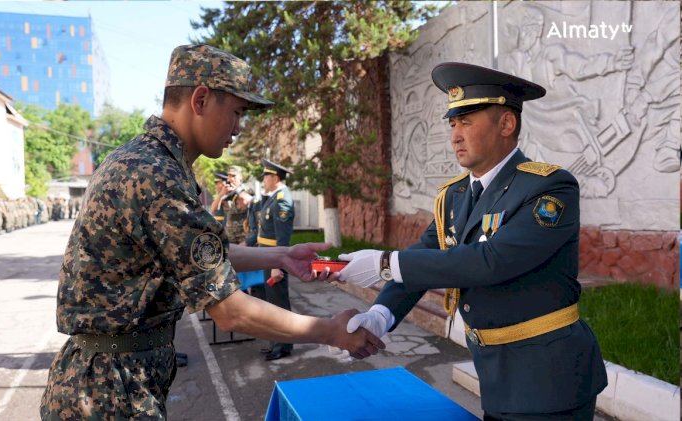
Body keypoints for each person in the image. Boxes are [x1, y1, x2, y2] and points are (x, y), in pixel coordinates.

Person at [40, 44, 383, 421]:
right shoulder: (157, 177)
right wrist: (331, 331)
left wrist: (281, 256)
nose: (239, 128)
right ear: (200, 100)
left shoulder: (147, 160)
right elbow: (231, 312)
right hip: (110, 391)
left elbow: (201, 254)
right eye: (236, 112)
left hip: (107, 379)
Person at [335, 62, 607, 420]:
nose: (455, 136)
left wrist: (384, 264)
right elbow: (427, 256)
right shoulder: (456, 195)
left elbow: (491, 260)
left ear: (506, 124)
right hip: (497, 377)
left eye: (467, 122)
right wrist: (380, 315)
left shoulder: (548, 186)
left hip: (550, 380)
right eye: (452, 124)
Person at [256, 158, 296, 361]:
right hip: (267, 258)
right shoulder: (273, 196)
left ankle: (283, 345)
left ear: (274, 177)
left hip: (274, 260)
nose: (263, 180)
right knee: (272, 302)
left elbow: (282, 239)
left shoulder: (283, 199)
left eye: (265, 176)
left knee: (279, 303)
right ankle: (277, 342)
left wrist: (276, 266)